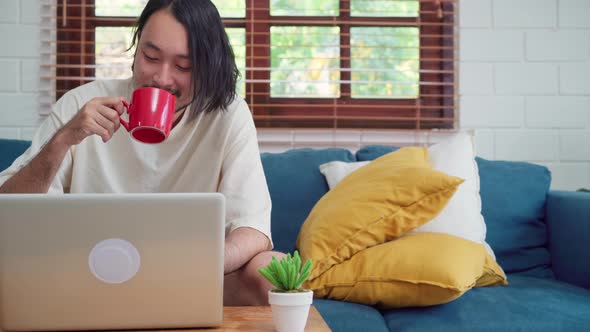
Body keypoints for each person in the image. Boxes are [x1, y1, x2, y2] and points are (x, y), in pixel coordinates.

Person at [0, 0, 284, 306]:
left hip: (188, 278)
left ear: (210, 64)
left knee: (272, 271)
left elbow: (253, 229)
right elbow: (10, 212)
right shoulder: (81, 104)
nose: (161, 79)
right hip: (87, 274)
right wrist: (63, 140)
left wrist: (195, 266)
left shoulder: (228, 114)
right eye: (150, 57)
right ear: (136, 49)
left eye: (183, 66)